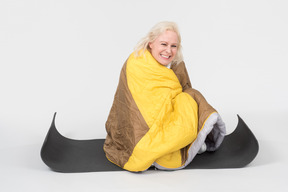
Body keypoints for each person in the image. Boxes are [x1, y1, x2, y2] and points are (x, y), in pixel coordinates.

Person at [103, 21, 226, 172]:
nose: (168, 50)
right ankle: (172, 146)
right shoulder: (137, 64)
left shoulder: (173, 65)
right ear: (150, 43)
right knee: (190, 98)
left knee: (189, 98)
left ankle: (185, 142)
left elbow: (179, 89)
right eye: (163, 44)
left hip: (163, 117)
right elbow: (139, 102)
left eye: (173, 46)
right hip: (141, 131)